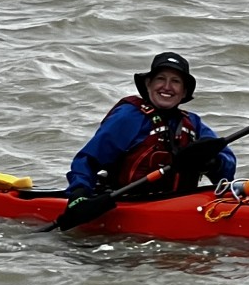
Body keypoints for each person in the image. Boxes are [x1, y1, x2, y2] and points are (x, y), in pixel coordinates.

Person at [65, 52, 235, 203]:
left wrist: (212, 162)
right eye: (161, 78)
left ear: (184, 92)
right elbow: (88, 159)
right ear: (148, 84)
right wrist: (79, 193)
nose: (167, 87)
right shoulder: (128, 116)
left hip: (179, 204)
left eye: (175, 81)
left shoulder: (193, 123)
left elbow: (227, 165)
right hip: (126, 202)